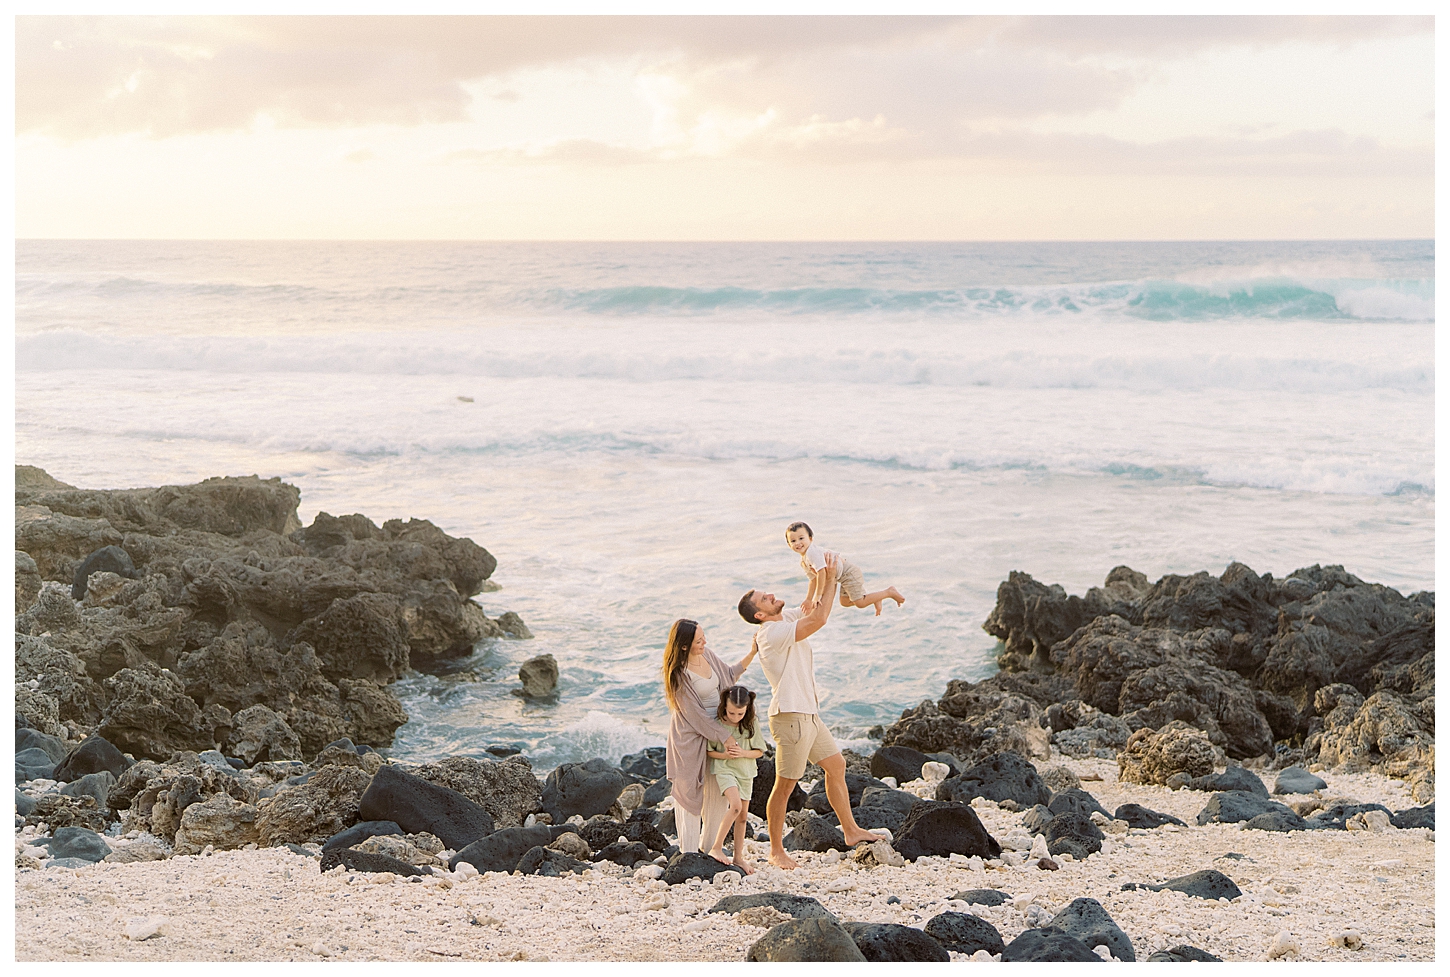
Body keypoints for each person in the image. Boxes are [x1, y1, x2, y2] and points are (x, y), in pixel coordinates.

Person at [737, 553, 885, 870]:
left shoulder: (785, 619)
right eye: (766, 598)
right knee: (785, 784)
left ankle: (850, 830)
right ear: (760, 614)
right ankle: (775, 850)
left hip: (809, 714)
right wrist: (830, 577)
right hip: (791, 716)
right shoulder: (770, 634)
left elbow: (813, 609)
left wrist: (820, 573)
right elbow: (819, 621)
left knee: (836, 766)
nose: (773, 595)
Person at [662, 618, 759, 854]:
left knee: (718, 790)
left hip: (717, 730)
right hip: (690, 738)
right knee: (689, 796)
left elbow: (729, 675)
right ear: (684, 646)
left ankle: (709, 851)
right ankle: (688, 854)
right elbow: (695, 717)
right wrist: (726, 737)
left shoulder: (708, 655)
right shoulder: (678, 674)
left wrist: (752, 653)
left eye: (704, 636)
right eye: (699, 640)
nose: (705, 641)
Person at [705, 685, 766, 873]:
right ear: (724, 706)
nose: (735, 717)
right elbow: (710, 751)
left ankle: (738, 857)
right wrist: (726, 756)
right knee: (736, 806)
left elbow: (759, 751)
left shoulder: (750, 723)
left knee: (742, 818)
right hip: (725, 769)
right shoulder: (717, 724)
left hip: (746, 772)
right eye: (731, 713)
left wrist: (742, 753)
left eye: (740, 713)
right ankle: (716, 847)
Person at [786, 521, 904, 617]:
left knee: (860, 603)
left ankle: (888, 592)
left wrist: (818, 596)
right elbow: (813, 579)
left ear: (810, 539)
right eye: (793, 541)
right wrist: (808, 599)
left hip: (848, 572)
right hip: (842, 576)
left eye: (801, 538)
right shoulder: (804, 561)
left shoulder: (812, 552)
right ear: (789, 545)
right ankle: (876, 597)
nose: (798, 543)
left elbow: (821, 572)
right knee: (845, 602)